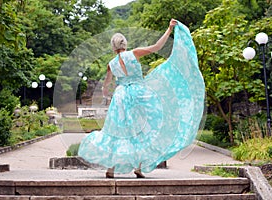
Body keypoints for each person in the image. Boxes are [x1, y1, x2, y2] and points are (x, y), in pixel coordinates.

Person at [78, 19, 205, 178]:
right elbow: (157, 47)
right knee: (143, 130)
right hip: (139, 94)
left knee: (119, 132)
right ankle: (138, 168)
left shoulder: (111, 64)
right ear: (125, 44)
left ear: (113, 47)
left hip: (120, 96)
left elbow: (105, 86)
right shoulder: (134, 53)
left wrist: (109, 96)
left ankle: (111, 169)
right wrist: (169, 30)